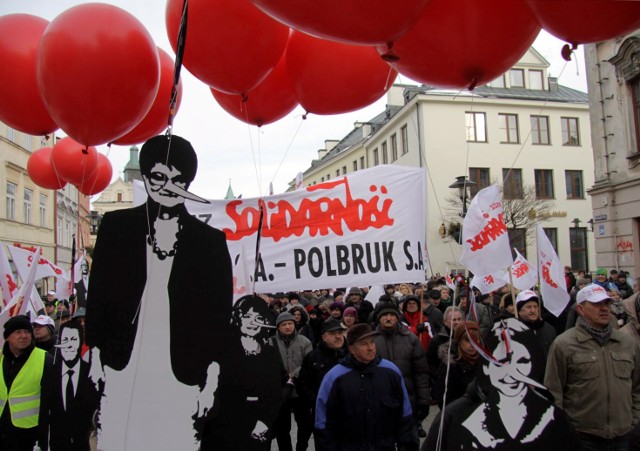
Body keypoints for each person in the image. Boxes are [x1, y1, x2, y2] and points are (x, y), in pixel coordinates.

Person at [85, 134, 233, 450]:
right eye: (159, 177)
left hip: (182, 370)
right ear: (147, 176)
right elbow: (97, 298)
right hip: (122, 361)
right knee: (118, 438)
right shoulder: (115, 227)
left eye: (177, 180)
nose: (167, 186)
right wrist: (96, 355)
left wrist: (212, 377)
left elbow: (219, 318)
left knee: (176, 440)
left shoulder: (209, 241)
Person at [447, 318, 580, 450]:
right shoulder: (460, 418)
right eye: (502, 362)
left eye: (522, 362)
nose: (513, 372)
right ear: (486, 366)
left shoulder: (553, 417)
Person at [545, 284, 640, 450]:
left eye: (606, 304)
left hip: (622, 436)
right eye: (596, 304)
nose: (604, 309)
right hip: (583, 437)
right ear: (581, 309)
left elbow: (637, 386)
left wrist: (633, 420)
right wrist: (566, 428)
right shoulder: (564, 344)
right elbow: (553, 392)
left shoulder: (626, 342)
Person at [314, 323, 419, 451]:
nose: (370, 348)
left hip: (384, 446)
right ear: (351, 348)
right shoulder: (335, 376)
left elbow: (404, 412)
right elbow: (323, 420)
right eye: (364, 344)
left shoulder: (390, 371)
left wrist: (407, 445)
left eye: (372, 342)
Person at [203, 295, 282, 450]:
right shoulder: (221, 351)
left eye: (258, 317)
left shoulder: (270, 353)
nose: (253, 322)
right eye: (247, 316)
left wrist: (265, 421)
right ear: (238, 318)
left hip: (258, 429)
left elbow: (275, 393)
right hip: (224, 426)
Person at [374, 305, 430, 438]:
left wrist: (424, 399)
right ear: (379, 318)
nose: (388, 318)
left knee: (408, 441)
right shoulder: (371, 340)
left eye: (392, 315)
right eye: (384, 315)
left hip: (408, 400)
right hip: (380, 402)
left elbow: (421, 372)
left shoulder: (411, 339)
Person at [0, 315, 53, 451]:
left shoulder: (45, 359)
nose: (24, 336)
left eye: (27, 331)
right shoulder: (0, 357)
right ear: (7, 337)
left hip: (30, 434)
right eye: (18, 332)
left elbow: (52, 402)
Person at [46, 320, 100, 451]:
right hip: (57, 442)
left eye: (73, 339)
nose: (69, 345)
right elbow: (45, 409)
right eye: (65, 339)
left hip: (83, 442)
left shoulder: (92, 373)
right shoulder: (51, 370)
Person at [270, 312, 313, 451]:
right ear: (278, 327)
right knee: (282, 427)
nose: (287, 327)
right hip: (280, 390)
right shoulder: (270, 342)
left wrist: (293, 374)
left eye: (290, 323)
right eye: (284, 324)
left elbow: (309, 363)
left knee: (305, 425)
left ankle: (301, 447)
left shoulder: (304, 341)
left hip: (301, 390)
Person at [297, 318, 347, 422]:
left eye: (340, 332)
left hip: (348, 412)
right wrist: (317, 401)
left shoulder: (351, 355)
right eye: (333, 333)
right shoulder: (312, 357)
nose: (338, 336)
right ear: (324, 337)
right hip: (323, 413)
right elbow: (303, 384)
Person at [432, 321, 481, 408]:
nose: (473, 344)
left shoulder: (485, 362)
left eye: (476, 340)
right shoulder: (449, 365)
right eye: (468, 340)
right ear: (459, 341)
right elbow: (444, 398)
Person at [515, 290, 556, 364]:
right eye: (528, 307)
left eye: (535, 306)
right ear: (519, 311)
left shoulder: (549, 329)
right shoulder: (512, 330)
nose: (533, 310)